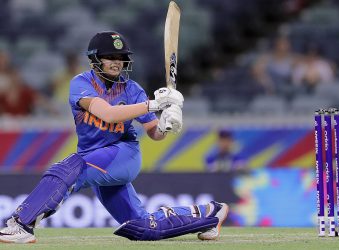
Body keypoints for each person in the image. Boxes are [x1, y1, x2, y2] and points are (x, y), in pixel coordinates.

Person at [0, 31, 228, 243]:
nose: (116, 61)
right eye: (109, 56)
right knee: (141, 227)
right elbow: (108, 114)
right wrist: (154, 104)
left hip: (123, 155)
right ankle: (210, 213)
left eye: (120, 57)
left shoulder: (133, 89)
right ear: (95, 59)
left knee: (68, 167)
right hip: (94, 158)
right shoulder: (81, 83)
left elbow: (154, 133)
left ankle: (22, 224)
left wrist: (166, 124)